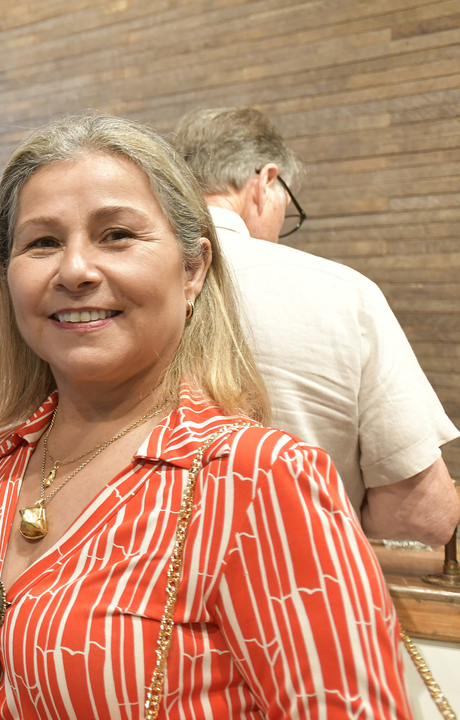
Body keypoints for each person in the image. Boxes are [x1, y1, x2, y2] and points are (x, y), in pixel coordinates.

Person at [0, 114, 422, 720]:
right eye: (43, 242)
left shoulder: (261, 483)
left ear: (194, 268)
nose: (77, 269)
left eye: (117, 235)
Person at [174, 107, 458, 545]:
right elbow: (421, 515)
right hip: (292, 587)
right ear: (264, 183)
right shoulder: (344, 293)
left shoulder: (115, 289)